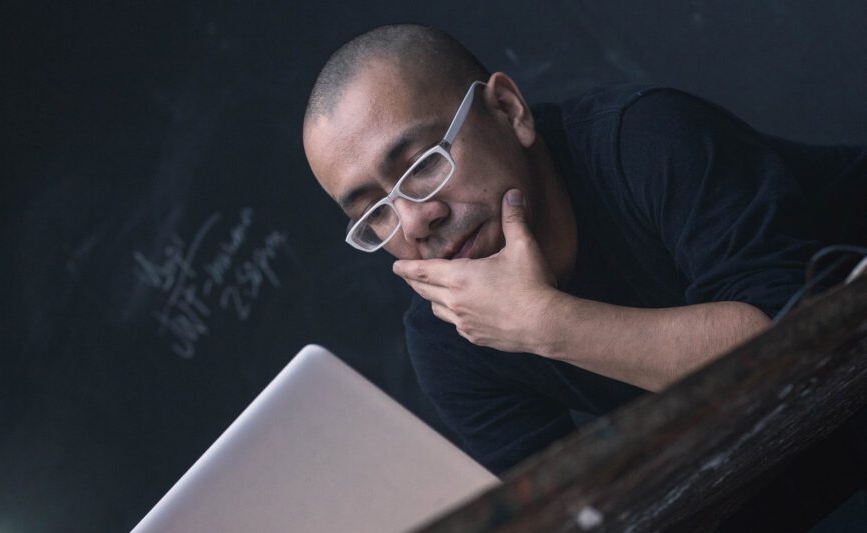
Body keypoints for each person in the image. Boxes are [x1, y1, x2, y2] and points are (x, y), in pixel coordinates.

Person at [302, 24, 867, 477]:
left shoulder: (647, 137)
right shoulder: (445, 335)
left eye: (425, 165)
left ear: (509, 110)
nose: (417, 220)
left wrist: (542, 321)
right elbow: (558, 520)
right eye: (374, 213)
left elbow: (802, 353)